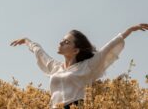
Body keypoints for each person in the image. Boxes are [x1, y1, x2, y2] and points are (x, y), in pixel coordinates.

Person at [10, 23, 148, 109]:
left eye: (66, 42)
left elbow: (108, 48)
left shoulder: (87, 66)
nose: (61, 42)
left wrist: (129, 31)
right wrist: (27, 41)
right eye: (62, 40)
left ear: (76, 50)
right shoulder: (55, 67)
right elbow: (40, 52)